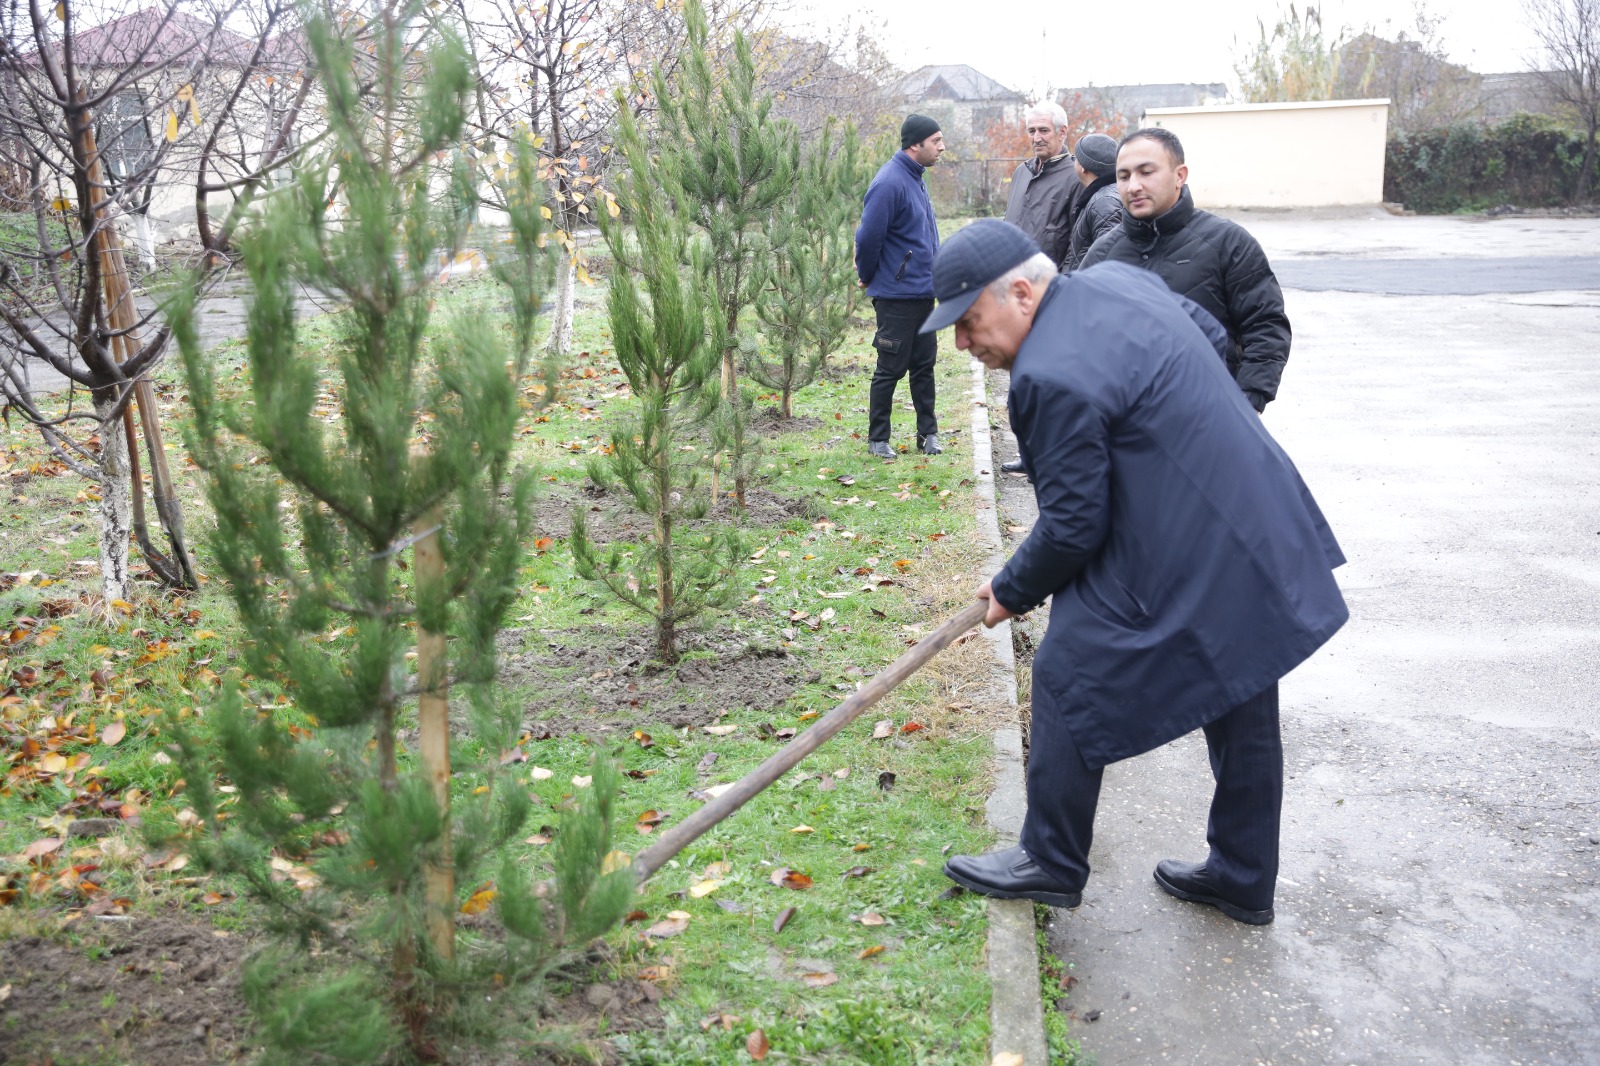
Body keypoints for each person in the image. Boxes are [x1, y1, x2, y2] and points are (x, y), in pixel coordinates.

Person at [922, 220, 1347, 925]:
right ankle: (1242, 876)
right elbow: (1207, 337)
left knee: (1066, 668)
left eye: (967, 324)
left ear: (1021, 293)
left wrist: (1010, 589)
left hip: (1195, 540)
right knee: (1243, 689)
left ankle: (1050, 860)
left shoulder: (1045, 376)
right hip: (1255, 513)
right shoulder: (1118, 282)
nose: (964, 347)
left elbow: (1074, 526)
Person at [1080, 127, 1291, 413]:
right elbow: (1078, 338)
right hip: (1126, 429)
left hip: (1210, 423)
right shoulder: (1102, 254)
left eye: (1146, 172)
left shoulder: (1228, 243)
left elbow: (1265, 326)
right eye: (1124, 175)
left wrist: (1247, 402)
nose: (1133, 186)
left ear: (1180, 175)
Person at [855, 113, 945, 459]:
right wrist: (868, 274)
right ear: (915, 144)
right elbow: (868, 238)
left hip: (923, 292)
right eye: (935, 141)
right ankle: (879, 439)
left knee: (924, 365)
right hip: (895, 296)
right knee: (889, 369)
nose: (941, 147)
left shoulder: (916, 177)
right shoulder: (889, 182)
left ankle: (929, 434)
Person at [1002, 102, 1082, 271]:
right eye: (1032, 131)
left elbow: (1078, 243)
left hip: (1050, 285)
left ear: (1062, 132)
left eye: (1044, 130)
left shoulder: (1076, 176)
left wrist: (1063, 284)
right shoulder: (1021, 172)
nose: (1036, 138)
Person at [1061, 132, 1122, 272]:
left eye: (1075, 158)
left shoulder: (1104, 202)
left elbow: (1110, 261)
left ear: (1083, 168)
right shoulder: (1104, 195)